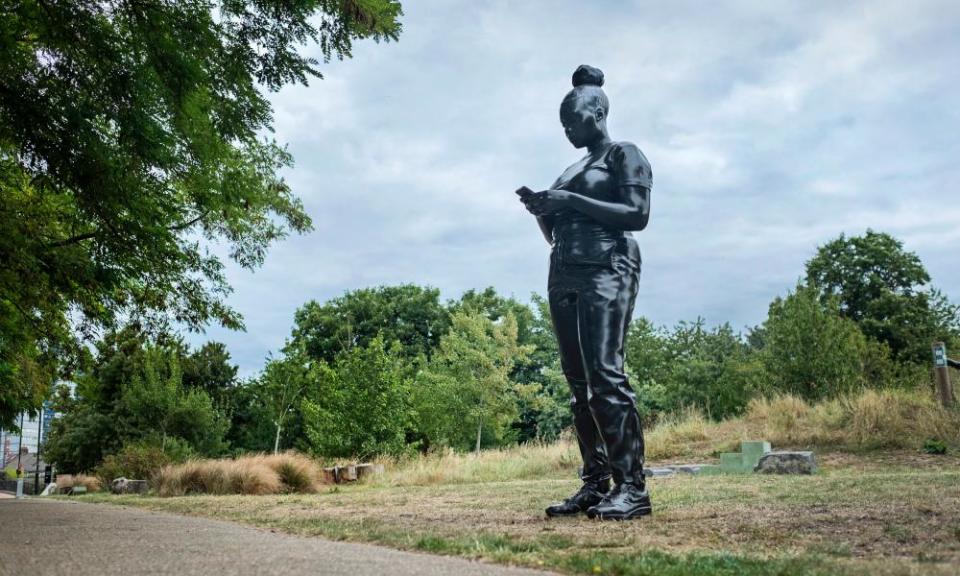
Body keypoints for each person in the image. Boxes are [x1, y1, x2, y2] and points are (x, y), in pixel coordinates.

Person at [517, 64, 652, 520]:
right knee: (578, 386)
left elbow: (637, 214)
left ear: (596, 112)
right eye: (562, 125)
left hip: (608, 265)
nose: (567, 130)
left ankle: (632, 487)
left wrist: (569, 200)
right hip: (565, 271)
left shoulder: (623, 154)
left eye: (572, 121)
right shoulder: (570, 169)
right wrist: (541, 209)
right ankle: (596, 483)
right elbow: (553, 235)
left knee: (605, 375)